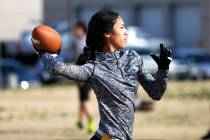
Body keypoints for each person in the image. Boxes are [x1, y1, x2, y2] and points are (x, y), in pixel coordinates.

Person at [33, 10, 172, 140]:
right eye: (122, 27)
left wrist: (163, 68)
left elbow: (156, 93)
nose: (127, 32)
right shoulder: (94, 68)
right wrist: (44, 53)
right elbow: (58, 68)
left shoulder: (133, 58)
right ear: (107, 33)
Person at [70, 21, 94, 133]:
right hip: (88, 72)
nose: (74, 31)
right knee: (82, 98)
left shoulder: (82, 42)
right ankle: (80, 121)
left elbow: (82, 59)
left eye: (76, 29)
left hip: (83, 73)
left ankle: (90, 117)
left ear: (81, 29)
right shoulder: (84, 40)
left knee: (84, 98)